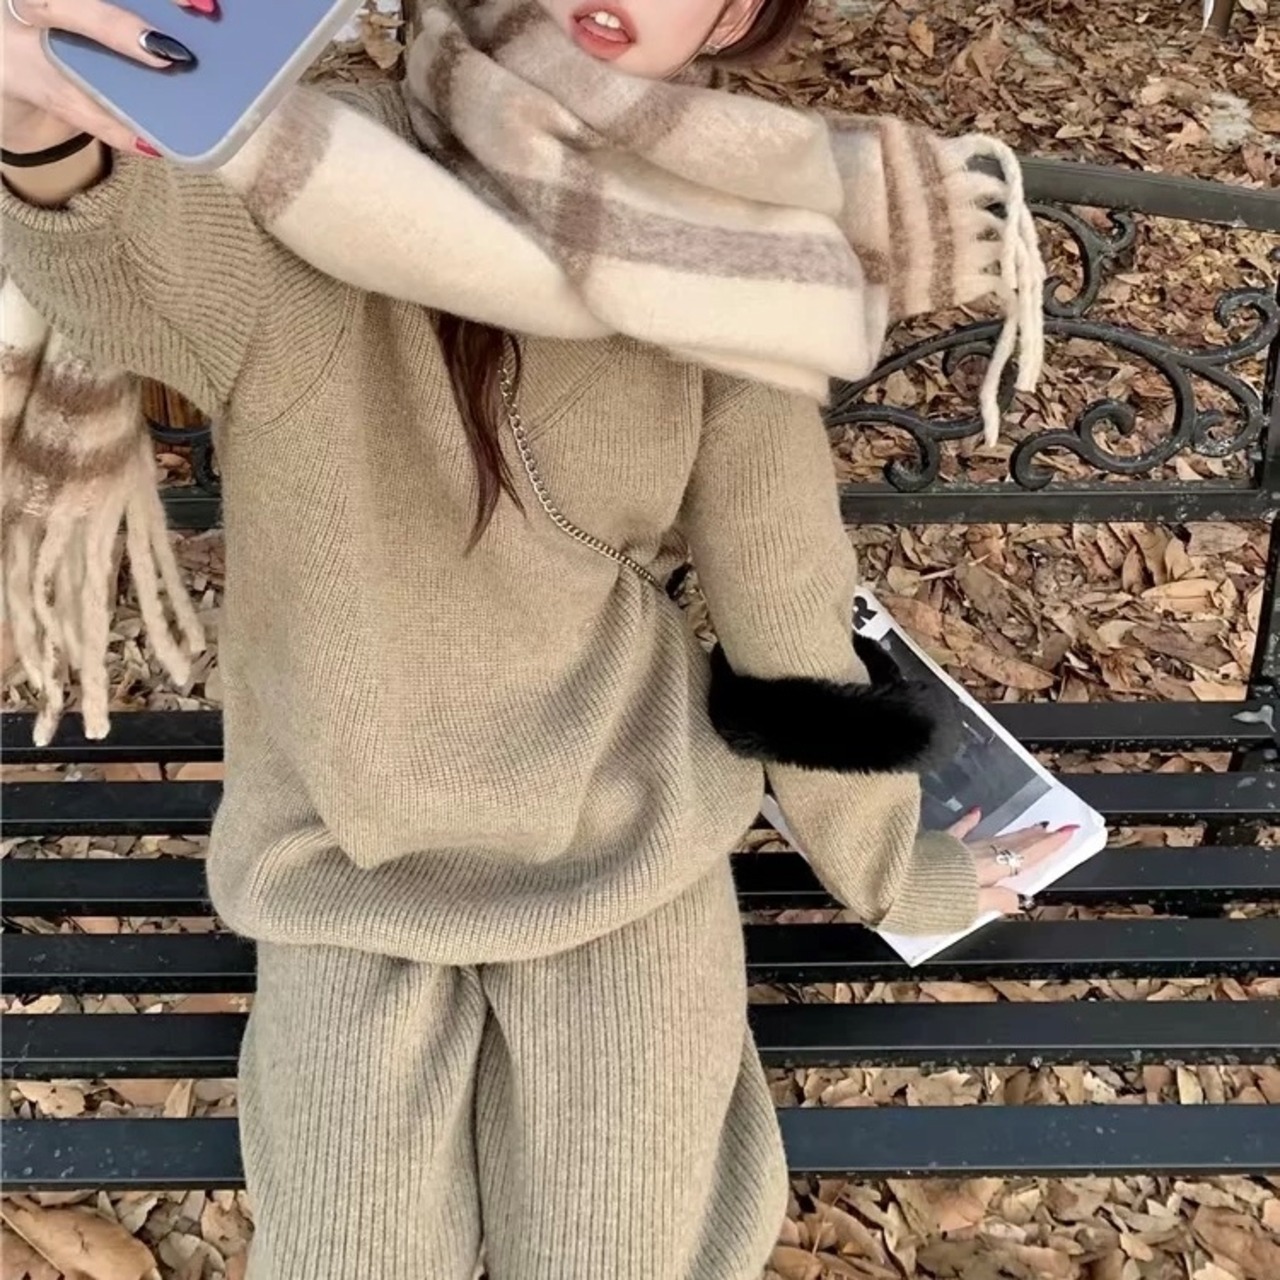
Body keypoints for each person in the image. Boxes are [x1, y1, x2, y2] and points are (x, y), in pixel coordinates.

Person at [1, 1, 1068, 1276]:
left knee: (621, 1247)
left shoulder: (728, 249)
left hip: (625, 845)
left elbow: (780, 594)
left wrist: (895, 869)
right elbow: (138, 270)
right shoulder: (309, 165)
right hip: (342, 863)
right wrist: (35, 122)